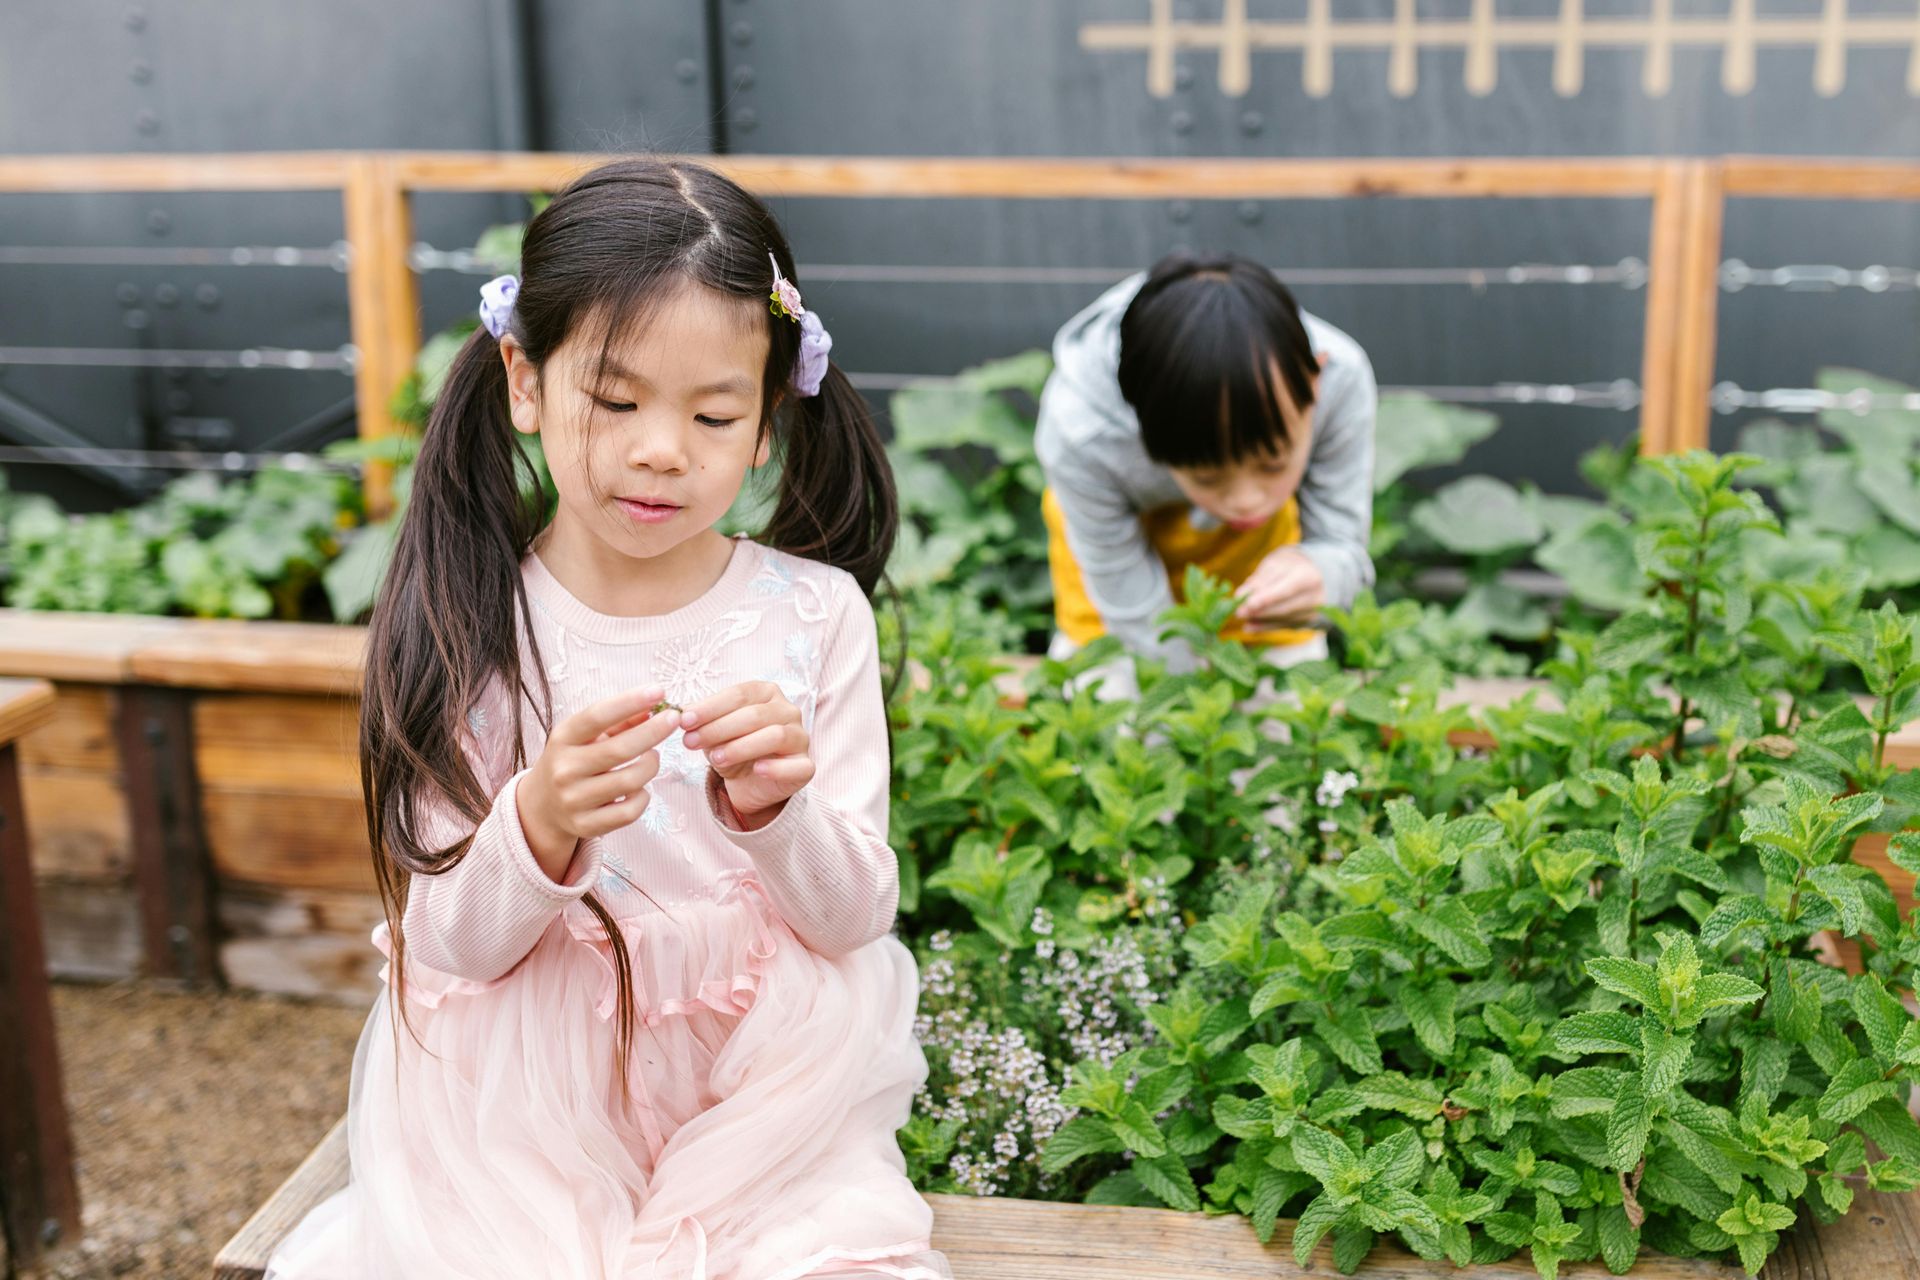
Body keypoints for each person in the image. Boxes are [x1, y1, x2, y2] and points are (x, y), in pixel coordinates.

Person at [267, 158, 948, 1280]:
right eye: (616, 399)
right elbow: (448, 942)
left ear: (770, 419)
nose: (661, 447)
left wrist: (779, 811)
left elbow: (853, 919)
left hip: (761, 1099)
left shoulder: (813, 614)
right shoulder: (473, 613)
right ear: (523, 382)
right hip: (520, 1109)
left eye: (714, 411)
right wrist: (534, 823)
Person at [1036, 253, 1378, 686]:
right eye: (1207, 477)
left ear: (1314, 388)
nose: (1247, 499)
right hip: (1114, 584)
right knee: (1118, 712)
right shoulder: (1081, 432)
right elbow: (1133, 612)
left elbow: (1342, 545)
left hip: (1255, 575)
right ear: (1142, 428)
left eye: (1272, 464)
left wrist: (1324, 575)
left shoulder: (1340, 379)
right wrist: (1186, 708)